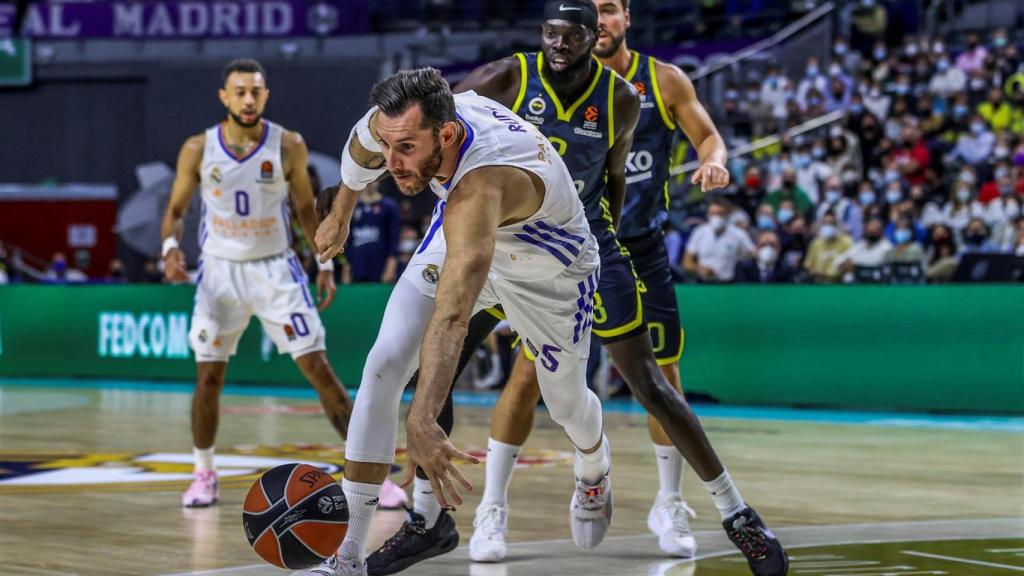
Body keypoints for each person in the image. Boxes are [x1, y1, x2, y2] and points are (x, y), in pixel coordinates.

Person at [309, 67, 610, 576]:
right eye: (389, 145)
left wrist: (423, 419)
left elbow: (451, 319)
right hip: (464, 238)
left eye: (405, 148)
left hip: (550, 269)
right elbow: (359, 152)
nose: (393, 162)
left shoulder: (481, 181)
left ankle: (594, 466)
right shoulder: (404, 119)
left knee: (566, 403)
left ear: (446, 135)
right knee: (382, 365)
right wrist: (341, 211)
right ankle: (348, 559)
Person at [160, 59, 406, 510]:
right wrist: (170, 248)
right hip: (219, 271)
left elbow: (306, 211)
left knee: (321, 373)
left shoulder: (287, 143)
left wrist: (326, 265)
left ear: (265, 95)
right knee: (208, 377)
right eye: (239, 91)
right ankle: (203, 472)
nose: (248, 99)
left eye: (256, 91)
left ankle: (374, 480)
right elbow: (175, 211)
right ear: (224, 96)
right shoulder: (198, 148)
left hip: (276, 268)